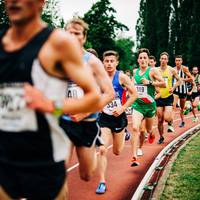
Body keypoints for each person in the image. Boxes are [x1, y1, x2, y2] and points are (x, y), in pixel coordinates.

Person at [0, 1, 101, 199]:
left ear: (41, 2)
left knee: (86, 175)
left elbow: (94, 96)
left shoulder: (58, 43)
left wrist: (51, 106)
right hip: (6, 155)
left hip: (43, 157)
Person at [60, 18, 114, 182]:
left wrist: (85, 112)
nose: (72, 36)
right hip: (64, 121)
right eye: (69, 33)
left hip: (86, 123)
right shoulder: (56, 59)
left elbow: (109, 93)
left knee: (86, 174)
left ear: (83, 37)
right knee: (58, 172)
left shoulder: (93, 62)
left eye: (76, 33)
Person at [95, 50, 137, 194]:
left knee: (117, 151)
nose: (109, 64)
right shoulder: (98, 77)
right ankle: (102, 182)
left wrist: (123, 107)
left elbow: (135, 94)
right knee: (102, 149)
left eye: (112, 61)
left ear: (117, 63)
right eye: (106, 61)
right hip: (105, 118)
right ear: (102, 62)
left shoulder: (122, 77)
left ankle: (125, 132)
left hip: (119, 117)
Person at [131, 48, 166, 166]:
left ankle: (151, 133)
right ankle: (134, 156)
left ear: (148, 59)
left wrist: (150, 83)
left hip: (150, 106)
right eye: (140, 58)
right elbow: (132, 86)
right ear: (138, 60)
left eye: (145, 58)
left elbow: (163, 84)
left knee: (148, 130)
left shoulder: (153, 71)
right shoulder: (135, 72)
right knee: (136, 128)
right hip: (137, 105)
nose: (142, 60)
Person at [156, 52, 181, 144]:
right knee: (159, 120)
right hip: (158, 97)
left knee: (166, 118)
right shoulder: (155, 70)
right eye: (162, 58)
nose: (163, 60)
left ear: (167, 60)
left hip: (168, 97)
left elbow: (179, 80)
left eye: (165, 59)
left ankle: (170, 122)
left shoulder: (171, 70)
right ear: (159, 59)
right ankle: (161, 136)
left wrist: (173, 88)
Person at [173, 55, 193, 127]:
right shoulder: (173, 69)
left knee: (182, 107)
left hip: (183, 91)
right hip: (175, 90)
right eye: (176, 60)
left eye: (179, 60)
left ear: (181, 61)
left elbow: (191, 79)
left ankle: (182, 121)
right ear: (175, 61)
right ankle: (170, 123)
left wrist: (182, 79)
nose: (177, 62)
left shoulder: (184, 69)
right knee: (173, 105)